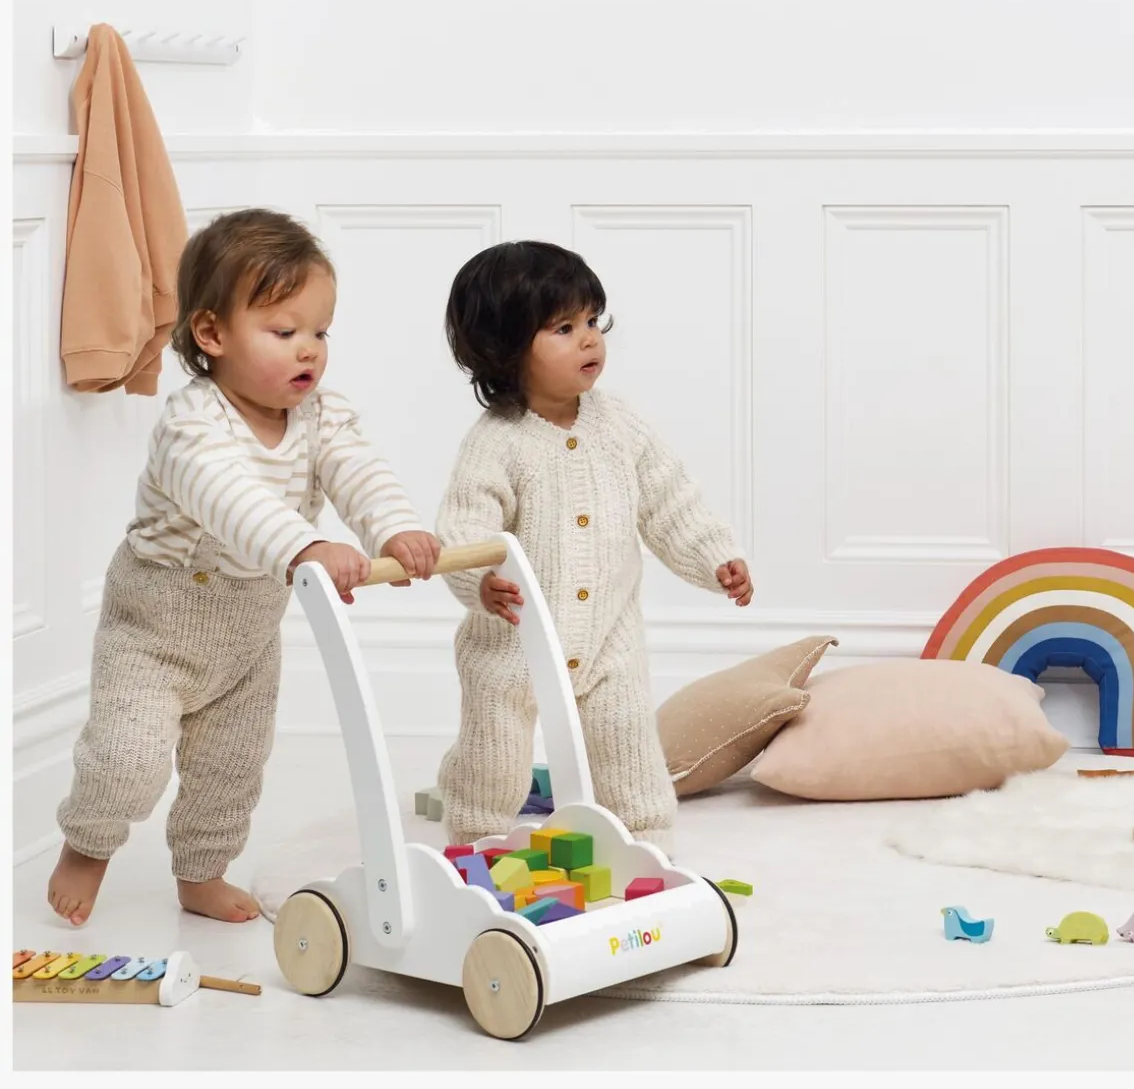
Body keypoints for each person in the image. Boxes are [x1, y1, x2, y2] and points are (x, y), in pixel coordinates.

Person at [48, 208, 439, 926]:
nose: (309, 350)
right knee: (127, 759)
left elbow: (358, 471)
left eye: (321, 332)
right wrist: (306, 548)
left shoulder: (321, 416)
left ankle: (201, 871)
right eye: (284, 332)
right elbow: (232, 500)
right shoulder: (192, 427)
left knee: (231, 766)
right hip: (154, 630)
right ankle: (88, 842)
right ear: (212, 333)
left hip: (247, 635)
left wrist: (396, 527)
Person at [436, 240, 753, 852]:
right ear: (506, 348)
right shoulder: (497, 442)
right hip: (513, 638)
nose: (589, 340)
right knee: (495, 747)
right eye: (564, 329)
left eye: (592, 322)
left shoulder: (620, 425)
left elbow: (670, 501)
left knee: (626, 737)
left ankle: (645, 835)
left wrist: (716, 558)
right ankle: (476, 831)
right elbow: (465, 528)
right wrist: (479, 582)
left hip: (609, 633)